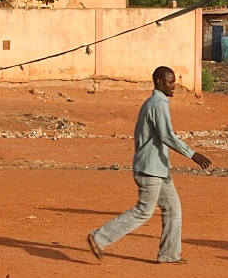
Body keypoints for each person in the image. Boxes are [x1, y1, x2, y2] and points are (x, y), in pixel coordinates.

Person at [87, 66, 212, 264]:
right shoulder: (158, 103)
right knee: (144, 211)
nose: (174, 86)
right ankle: (99, 237)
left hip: (157, 168)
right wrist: (192, 154)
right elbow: (167, 136)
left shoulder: (155, 102)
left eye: (174, 82)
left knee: (173, 209)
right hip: (150, 169)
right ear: (159, 82)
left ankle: (169, 254)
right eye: (171, 82)